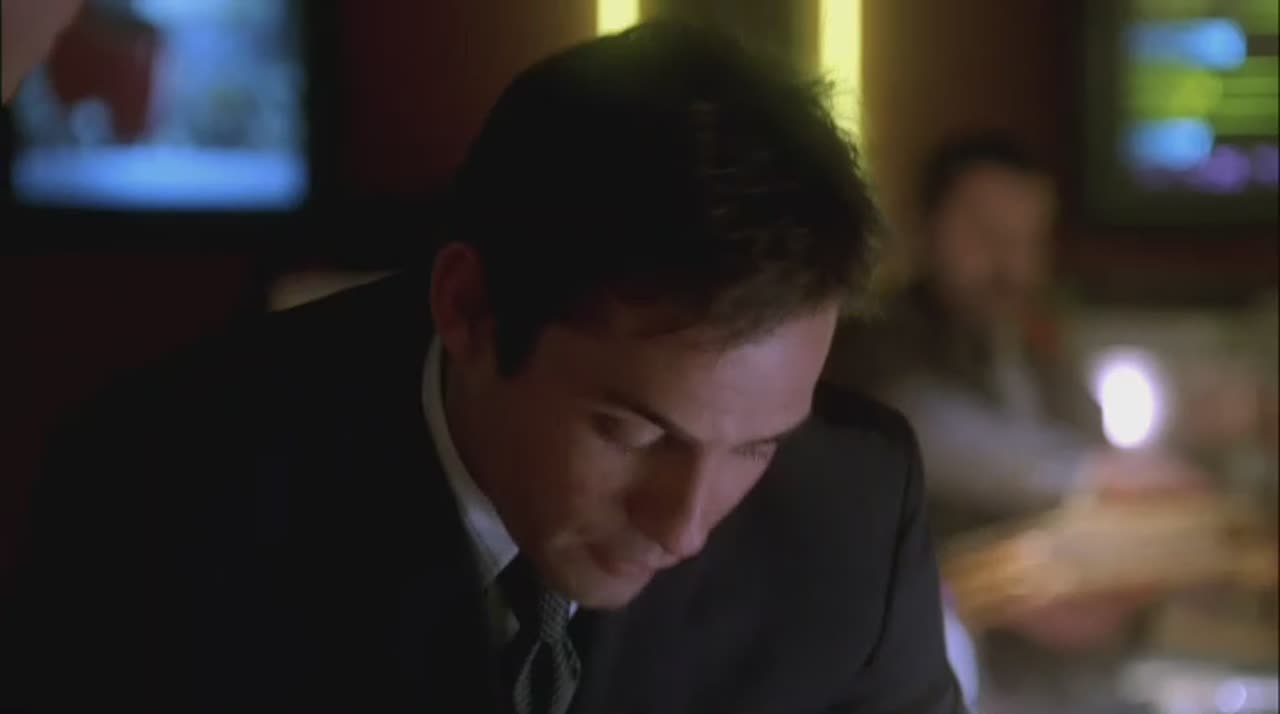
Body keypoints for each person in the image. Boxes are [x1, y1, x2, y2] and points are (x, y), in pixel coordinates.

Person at [2, 22, 964, 714]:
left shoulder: (852, 514)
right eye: (630, 431)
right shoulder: (157, 493)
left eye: (755, 446)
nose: (683, 526)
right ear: (466, 307)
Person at [825, 133, 1203, 713]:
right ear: (925, 229)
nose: (1012, 265)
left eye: (1028, 241)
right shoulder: (876, 341)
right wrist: (1096, 473)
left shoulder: (1044, 351)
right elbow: (928, 427)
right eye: (986, 236)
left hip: (1079, 680)